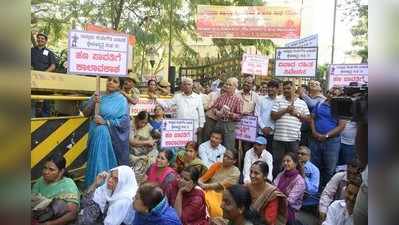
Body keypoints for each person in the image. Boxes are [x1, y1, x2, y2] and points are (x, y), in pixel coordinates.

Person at [82, 76, 130, 187]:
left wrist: (106, 122)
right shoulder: (98, 95)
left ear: (119, 85)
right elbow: (85, 112)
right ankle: (92, 187)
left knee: (102, 160)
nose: (111, 83)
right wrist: (93, 101)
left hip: (109, 136)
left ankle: (102, 186)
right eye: (109, 80)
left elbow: (125, 122)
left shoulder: (121, 100)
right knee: (94, 158)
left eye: (115, 81)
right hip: (94, 131)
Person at [309, 87, 346, 187]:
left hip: (332, 142)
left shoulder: (341, 108)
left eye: (335, 94)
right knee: (314, 166)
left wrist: (326, 135)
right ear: (327, 93)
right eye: (330, 93)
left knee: (330, 169)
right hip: (315, 139)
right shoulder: (319, 104)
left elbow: (341, 126)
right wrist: (314, 132)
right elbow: (312, 118)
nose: (332, 95)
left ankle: (326, 192)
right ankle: (315, 190)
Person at [271, 81, 310, 177]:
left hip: (293, 139)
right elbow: (273, 116)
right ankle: (276, 183)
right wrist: (286, 110)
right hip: (278, 139)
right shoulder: (278, 101)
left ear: (294, 89)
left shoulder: (302, 103)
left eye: (288, 88)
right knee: (277, 163)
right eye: (284, 89)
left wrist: (296, 113)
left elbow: (308, 119)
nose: (286, 90)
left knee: (293, 164)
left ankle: (293, 183)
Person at [31, 155, 79, 225]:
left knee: (59, 204)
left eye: (51, 169)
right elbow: (32, 200)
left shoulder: (68, 185)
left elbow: (72, 214)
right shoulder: (40, 181)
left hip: (57, 222)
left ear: (61, 171)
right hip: (39, 217)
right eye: (45, 168)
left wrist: (50, 223)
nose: (46, 172)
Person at [158, 77, 206, 142]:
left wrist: (201, 126)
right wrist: (156, 98)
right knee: (179, 144)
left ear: (192, 85)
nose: (186, 86)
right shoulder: (177, 96)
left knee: (191, 145)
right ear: (182, 86)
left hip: (193, 126)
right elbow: (167, 105)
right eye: (184, 84)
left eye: (189, 84)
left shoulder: (198, 97)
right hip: (180, 126)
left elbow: (201, 112)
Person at [198, 149, 240, 217]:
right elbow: (203, 178)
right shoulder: (217, 165)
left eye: (228, 157)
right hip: (207, 191)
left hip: (222, 196)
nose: (225, 158)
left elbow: (220, 185)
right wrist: (200, 183)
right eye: (225, 156)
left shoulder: (235, 172)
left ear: (234, 161)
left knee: (217, 212)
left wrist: (204, 186)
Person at [211, 77, 243, 150]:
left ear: (235, 87)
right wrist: (217, 112)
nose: (227, 86)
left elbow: (240, 116)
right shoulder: (221, 97)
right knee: (216, 145)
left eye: (230, 85)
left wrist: (231, 114)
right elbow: (214, 107)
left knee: (228, 147)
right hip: (219, 123)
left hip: (229, 125)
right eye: (227, 84)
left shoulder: (238, 99)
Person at [273, 152, 306, 225]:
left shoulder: (299, 181)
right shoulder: (282, 174)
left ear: (295, 163)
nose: (285, 163)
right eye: (284, 161)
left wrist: (276, 196)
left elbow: (290, 200)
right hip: (277, 201)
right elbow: (273, 187)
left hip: (290, 208)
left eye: (288, 161)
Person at [129, 111, 158, 184]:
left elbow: (155, 134)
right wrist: (147, 142)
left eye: (145, 123)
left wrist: (156, 134)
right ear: (137, 119)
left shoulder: (147, 125)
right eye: (142, 122)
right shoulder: (130, 124)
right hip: (133, 154)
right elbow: (131, 141)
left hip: (146, 152)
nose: (143, 125)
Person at [254, 79, 279, 154]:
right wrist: (263, 127)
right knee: (258, 152)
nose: (270, 89)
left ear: (277, 89)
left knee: (270, 153)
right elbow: (257, 114)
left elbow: (279, 116)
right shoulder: (261, 99)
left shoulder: (280, 100)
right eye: (269, 87)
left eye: (273, 87)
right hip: (261, 132)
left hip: (274, 133)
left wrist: (271, 127)